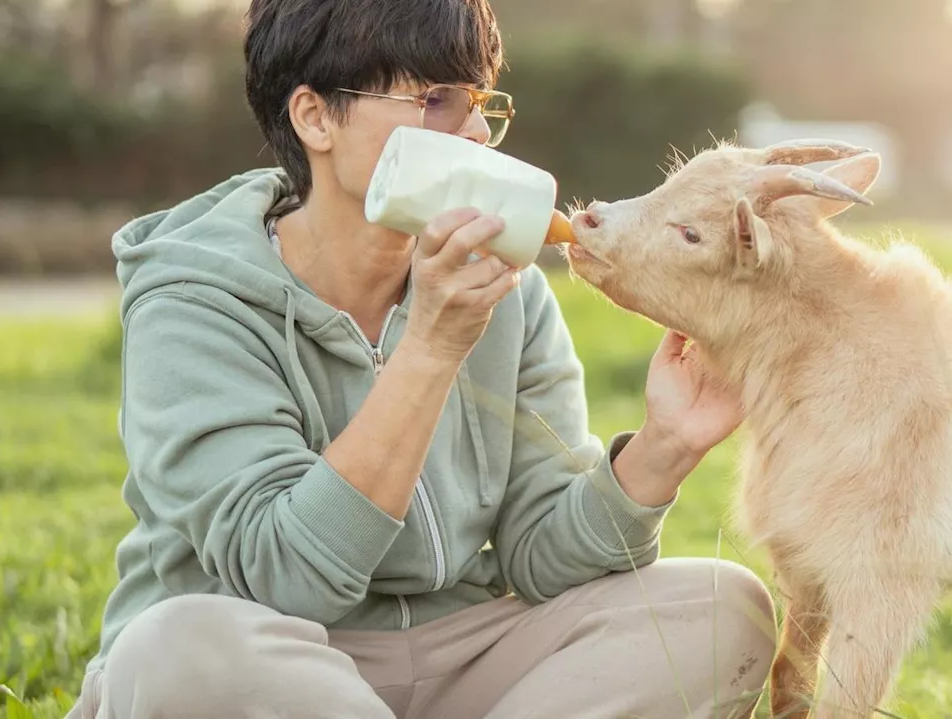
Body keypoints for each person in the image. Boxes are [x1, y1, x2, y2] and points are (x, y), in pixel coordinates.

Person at [64, 1, 777, 717]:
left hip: (460, 652)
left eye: (478, 103)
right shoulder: (193, 298)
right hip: (274, 662)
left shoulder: (509, 288)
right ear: (315, 118)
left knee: (721, 611)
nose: (472, 131)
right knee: (173, 650)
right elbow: (285, 578)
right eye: (435, 100)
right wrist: (431, 347)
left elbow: (542, 555)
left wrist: (663, 446)